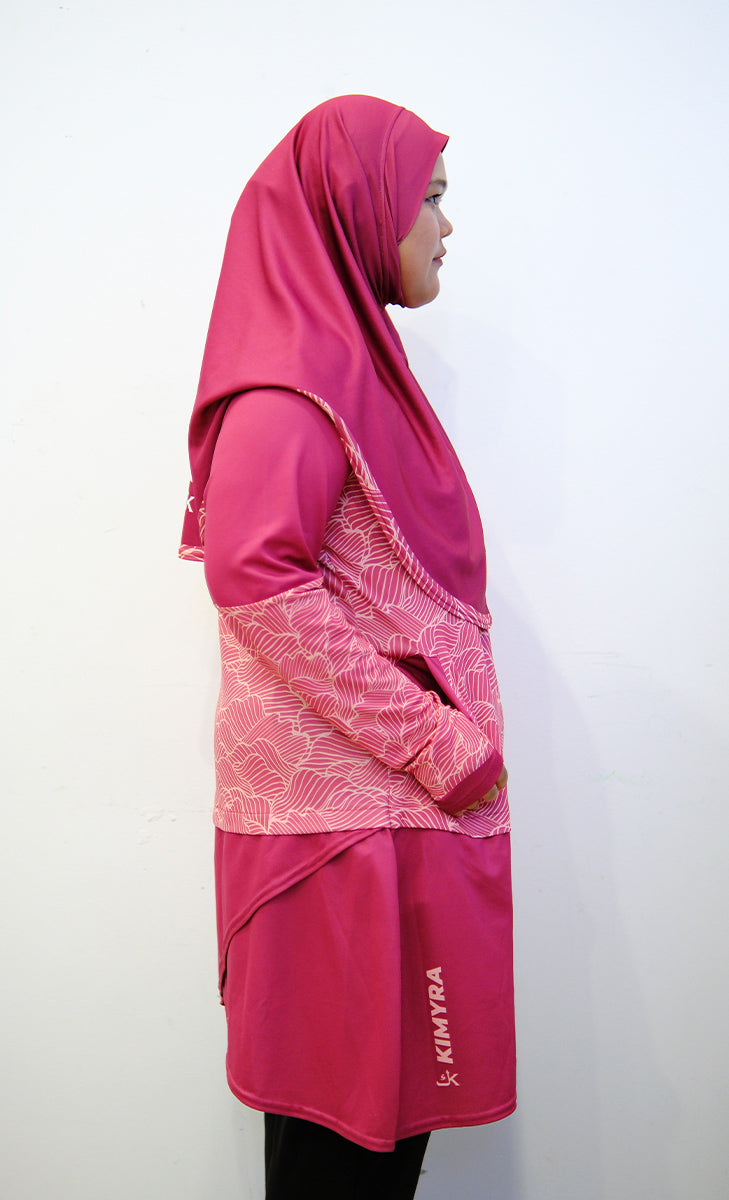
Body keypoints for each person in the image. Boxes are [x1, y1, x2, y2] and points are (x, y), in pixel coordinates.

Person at [180, 94, 515, 1200]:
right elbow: (256, 578)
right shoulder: (294, 386)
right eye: (430, 199)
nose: (444, 227)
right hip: (339, 849)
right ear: (360, 205)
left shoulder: (347, 371)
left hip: (379, 827)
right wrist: (436, 740)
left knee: (372, 1155)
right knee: (341, 1167)